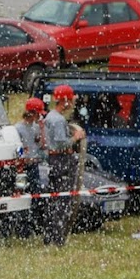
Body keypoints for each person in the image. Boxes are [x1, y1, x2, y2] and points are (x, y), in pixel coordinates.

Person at [42, 84, 86, 247]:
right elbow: (60, 145)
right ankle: (57, 238)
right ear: (65, 101)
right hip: (61, 161)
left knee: (52, 200)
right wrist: (76, 137)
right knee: (62, 200)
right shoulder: (59, 120)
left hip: (52, 162)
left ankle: (48, 236)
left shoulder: (49, 116)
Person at [14, 97, 47, 236]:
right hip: (24, 167)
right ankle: (22, 227)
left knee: (36, 195)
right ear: (31, 113)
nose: (39, 117)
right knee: (23, 196)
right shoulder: (18, 129)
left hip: (34, 165)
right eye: (37, 114)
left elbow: (42, 145)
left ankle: (35, 224)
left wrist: (42, 129)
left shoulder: (35, 128)